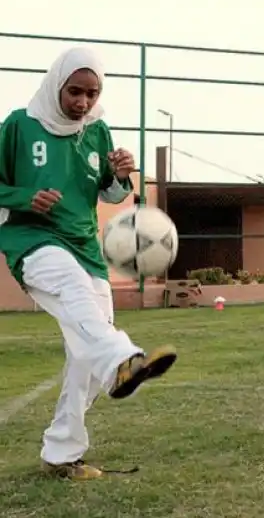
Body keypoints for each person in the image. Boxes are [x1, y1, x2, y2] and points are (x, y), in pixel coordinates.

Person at [0, 47, 178, 480]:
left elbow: (111, 194)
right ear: (56, 84)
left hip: (84, 245)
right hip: (32, 240)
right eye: (74, 91)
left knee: (85, 353)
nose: (83, 102)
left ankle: (62, 454)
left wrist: (120, 174)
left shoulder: (96, 130)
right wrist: (25, 198)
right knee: (78, 298)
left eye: (92, 93)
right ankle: (125, 359)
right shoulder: (19, 126)